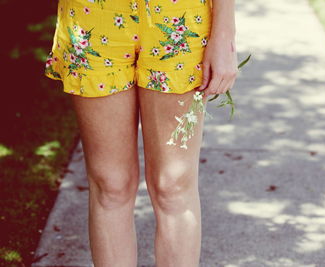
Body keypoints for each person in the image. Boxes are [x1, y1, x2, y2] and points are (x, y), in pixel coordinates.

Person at [44, 0, 237, 266]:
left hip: (178, 16)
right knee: (111, 185)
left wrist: (224, 34)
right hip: (92, 16)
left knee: (173, 184)